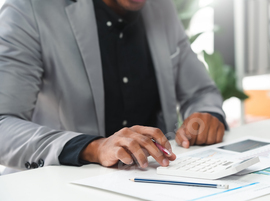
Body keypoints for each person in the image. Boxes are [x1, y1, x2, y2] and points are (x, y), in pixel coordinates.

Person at [0, 0, 227, 171]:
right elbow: (3, 123)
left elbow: (201, 91)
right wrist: (93, 147)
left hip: (158, 180)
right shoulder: (28, 9)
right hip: (61, 192)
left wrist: (206, 114)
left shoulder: (160, 6)